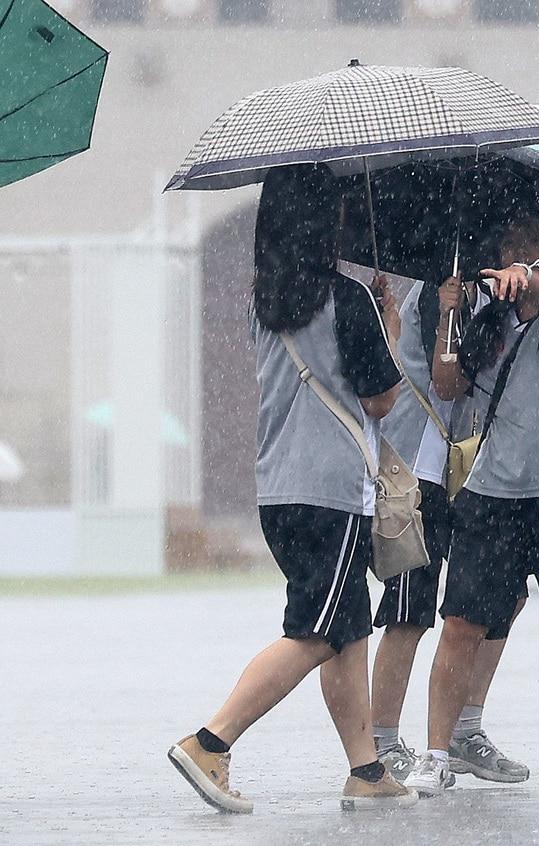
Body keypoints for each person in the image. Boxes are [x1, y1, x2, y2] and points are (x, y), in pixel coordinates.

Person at [167, 164, 415, 812]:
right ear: (326, 221)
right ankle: (210, 742)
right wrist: (387, 326)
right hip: (332, 493)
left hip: (280, 491)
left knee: (347, 631)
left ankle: (365, 768)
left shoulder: (265, 304)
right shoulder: (347, 299)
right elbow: (382, 398)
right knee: (314, 632)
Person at [403, 200, 539, 798]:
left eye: (531, 249)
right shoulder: (488, 321)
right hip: (492, 491)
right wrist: (451, 313)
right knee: (460, 625)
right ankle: (436, 751)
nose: (516, 261)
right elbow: (448, 386)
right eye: (507, 251)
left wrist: (537, 284)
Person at [369, 261, 529, 784]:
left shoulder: (487, 291)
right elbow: (447, 383)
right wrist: (450, 311)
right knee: (408, 612)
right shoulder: (432, 295)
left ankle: (466, 728)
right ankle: (383, 742)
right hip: (422, 472)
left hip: (477, 470)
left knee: (495, 601)